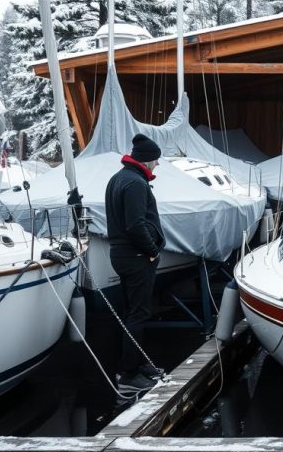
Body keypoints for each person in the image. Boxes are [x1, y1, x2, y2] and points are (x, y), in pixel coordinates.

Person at [106, 133, 166, 393]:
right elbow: (135, 224)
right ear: (148, 160)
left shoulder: (118, 178)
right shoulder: (136, 183)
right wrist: (152, 251)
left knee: (133, 312)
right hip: (137, 256)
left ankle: (137, 363)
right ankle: (129, 373)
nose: (158, 165)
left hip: (124, 255)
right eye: (157, 160)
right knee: (139, 313)